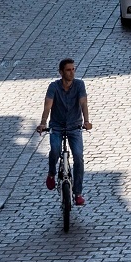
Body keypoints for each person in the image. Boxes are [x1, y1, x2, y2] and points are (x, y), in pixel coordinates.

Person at [37, 59, 92, 205]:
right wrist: (43, 123)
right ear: (61, 72)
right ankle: (51, 174)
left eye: (73, 69)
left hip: (74, 126)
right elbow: (48, 106)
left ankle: (78, 193)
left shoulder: (79, 84)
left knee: (79, 157)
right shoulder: (53, 87)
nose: (72, 72)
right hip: (57, 126)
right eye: (68, 70)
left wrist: (86, 121)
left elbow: (83, 103)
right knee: (55, 150)